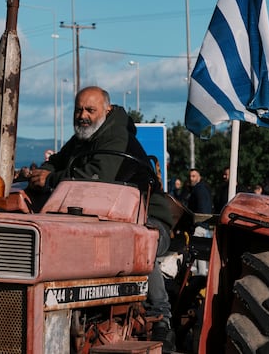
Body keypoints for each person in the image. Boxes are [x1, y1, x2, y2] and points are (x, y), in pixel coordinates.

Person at [27, 86, 175, 352]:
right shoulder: (83, 138)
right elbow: (57, 161)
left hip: (146, 217)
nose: (82, 115)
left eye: (90, 110)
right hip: (102, 218)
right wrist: (44, 173)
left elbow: (96, 176)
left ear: (106, 111)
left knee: (141, 242)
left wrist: (50, 179)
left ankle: (161, 318)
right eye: (78, 109)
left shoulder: (115, 135)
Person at [188, 168, 213, 275]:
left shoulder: (198, 190)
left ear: (199, 177)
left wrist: (196, 223)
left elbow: (200, 208)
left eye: (193, 176)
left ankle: (199, 280)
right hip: (204, 225)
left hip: (199, 225)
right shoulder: (205, 189)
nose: (191, 178)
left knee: (198, 257)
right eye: (190, 176)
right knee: (201, 257)